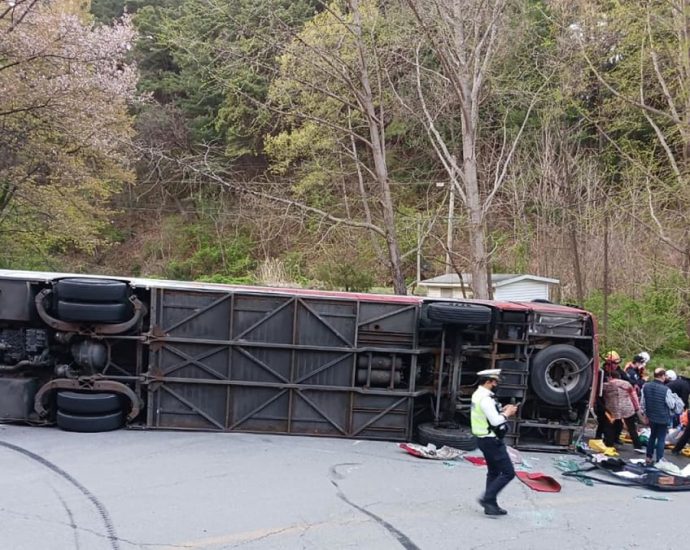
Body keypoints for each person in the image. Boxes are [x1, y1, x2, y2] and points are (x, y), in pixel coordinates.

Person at [471, 369, 518, 516]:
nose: (496, 384)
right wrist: (507, 413)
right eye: (494, 382)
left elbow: (485, 415)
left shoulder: (478, 395)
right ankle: (487, 498)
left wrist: (500, 409)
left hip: (482, 438)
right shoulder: (485, 399)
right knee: (508, 472)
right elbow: (496, 421)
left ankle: (491, 506)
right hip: (491, 439)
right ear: (487, 382)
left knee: (494, 472)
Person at [641, 368, 677, 465]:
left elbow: (643, 403)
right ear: (662, 376)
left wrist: (645, 414)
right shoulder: (666, 389)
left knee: (652, 436)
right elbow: (671, 404)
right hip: (663, 417)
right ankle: (659, 459)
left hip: (651, 416)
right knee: (661, 438)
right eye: (665, 375)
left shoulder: (646, 386)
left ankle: (648, 457)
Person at [602, 370, 643, 450]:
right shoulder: (627, 384)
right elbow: (634, 397)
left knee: (610, 426)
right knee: (631, 428)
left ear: (610, 377)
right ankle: (637, 446)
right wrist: (637, 408)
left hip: (612, 409)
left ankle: (609, 444)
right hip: (627, 408)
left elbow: (601, 395)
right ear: (619, 377)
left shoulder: (606, 385)